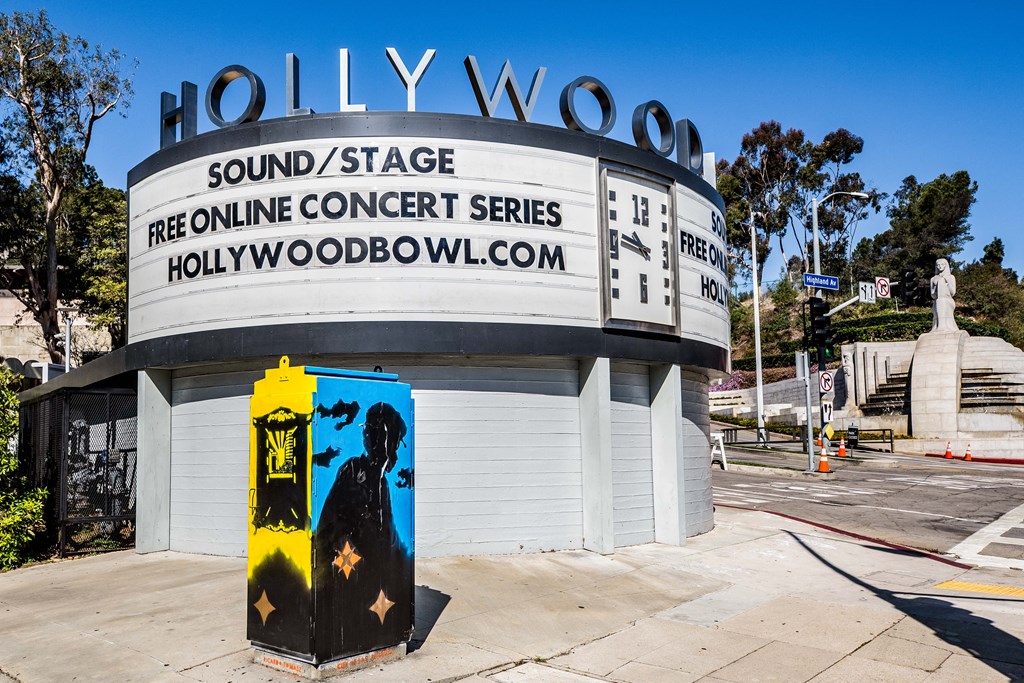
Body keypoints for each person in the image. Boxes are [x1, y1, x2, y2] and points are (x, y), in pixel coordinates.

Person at [930, 258, 958, 331]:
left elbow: (953, 292)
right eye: (938, 265)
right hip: (937, 300)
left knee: (942, 301)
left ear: (946, 265)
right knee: (939, 302)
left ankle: (944, 327)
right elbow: (932, 295)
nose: (940, 266)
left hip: (947, 300)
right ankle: (939, 326)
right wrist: (936, 288)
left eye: (942, 264)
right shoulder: (933, 279)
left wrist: (947, 282)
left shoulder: (951, 277)